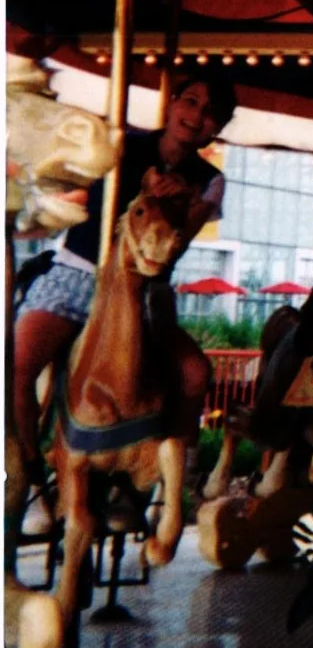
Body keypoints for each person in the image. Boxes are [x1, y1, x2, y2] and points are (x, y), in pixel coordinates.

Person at [12, 75, 238, 470]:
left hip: (141, 294)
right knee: (18, 361)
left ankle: (173, 471)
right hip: (79, 275)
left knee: (194, 373)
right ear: (172, 104)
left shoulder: (208, 182)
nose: (196, 115)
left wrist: (175, 203)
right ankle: (26, 462)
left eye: (210, 113)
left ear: (218, 127)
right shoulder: (118, 145)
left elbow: (174, 247)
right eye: (190, 101)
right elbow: (73, 192)